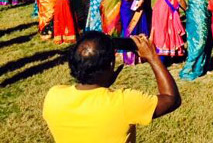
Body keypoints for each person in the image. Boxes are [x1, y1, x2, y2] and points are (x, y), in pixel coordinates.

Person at [43, 32, 180, 142]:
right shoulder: (124, 102)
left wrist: (104, 80)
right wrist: (152, 57)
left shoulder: (53, 96)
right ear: (110, 66)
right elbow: (171, 99)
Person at [180, 0, 213, 80]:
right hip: (200, 16)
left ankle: (199, 67)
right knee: (200, 42)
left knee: (194, 41)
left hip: (191, 16)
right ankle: (190, 68)